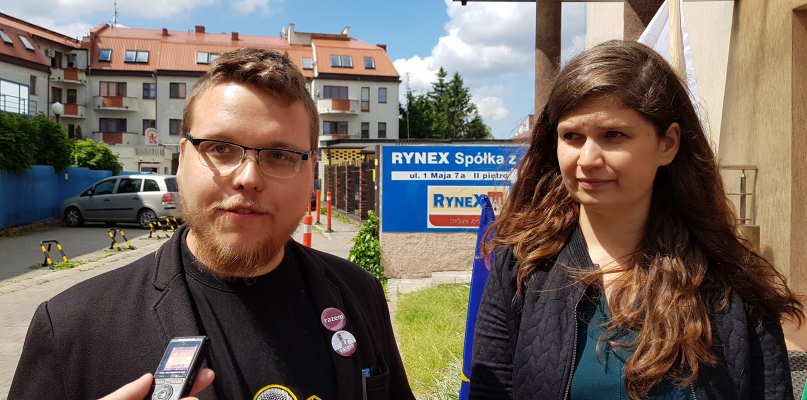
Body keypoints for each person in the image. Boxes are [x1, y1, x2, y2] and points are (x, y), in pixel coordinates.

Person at [9, 48, 414, 400]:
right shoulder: (71, 327)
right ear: (181, 159)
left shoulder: (360, 293)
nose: (248, 178)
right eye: (220, 148)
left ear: (312, 172)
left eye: (279, 155)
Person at [469, 40, 804, 400]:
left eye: (613, 135)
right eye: (572, 136)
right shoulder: (521, 267)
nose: (587, 159)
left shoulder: (731, 280)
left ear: (668, 143)